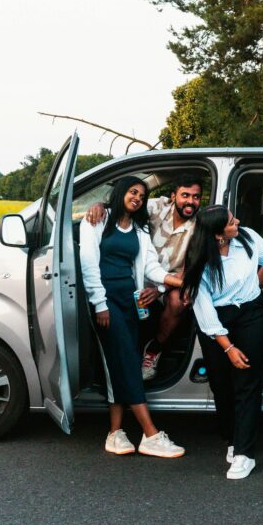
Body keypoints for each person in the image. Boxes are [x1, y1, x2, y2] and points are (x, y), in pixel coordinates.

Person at [79, 175, 186, 458]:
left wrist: (173, 282)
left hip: (130, 301)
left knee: (120, 361)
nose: (137, 197)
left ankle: (115, 433)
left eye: (141, 194)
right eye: (132, 191)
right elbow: (89, 263)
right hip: (107, 301)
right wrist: (99, 303)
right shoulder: (97, 220)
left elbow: (150, 266)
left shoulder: (139, 230)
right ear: (121, 193)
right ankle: (150, 434)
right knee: (126, 359)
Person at [182, 205, 263, 479]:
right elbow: (203, 307)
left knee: (247, 382)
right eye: (232, 221)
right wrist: (228, 347)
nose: (238, 222)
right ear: (218, 234)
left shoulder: (248, 238)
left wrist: (252, 282)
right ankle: (232, 439)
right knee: (221, 384)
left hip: (251, 313)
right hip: (217, 321)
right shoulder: (199, 258)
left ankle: (244, 453)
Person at [87, 175, 203, 381]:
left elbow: (190, 270)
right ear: (173, 196)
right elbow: (127, 202)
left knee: (180, 299)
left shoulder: (199, 227)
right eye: (185, 195)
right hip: (137, 280)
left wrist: (160, 289)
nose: (191, 202)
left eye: (196, 197)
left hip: (169, 285)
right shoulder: (156, 206)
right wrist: (100, 206)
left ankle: (154, 350)